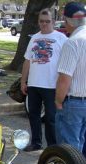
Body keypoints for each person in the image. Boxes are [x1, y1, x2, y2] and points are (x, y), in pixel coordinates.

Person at [21, 8, 68, 152]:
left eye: (47, 21)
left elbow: (67, 63)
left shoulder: (62, 39)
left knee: (51, 119)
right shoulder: (34, 38)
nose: (44, 24)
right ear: (38, 22)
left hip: (51, 85)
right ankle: (36, 142)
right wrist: (23, 81)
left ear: (53, 22)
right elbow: (27, 61)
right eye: (41, 21)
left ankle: (52, 146)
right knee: (33, 115)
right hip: (34, 84)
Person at [55, 2, 86, 153]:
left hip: (74, 103)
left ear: (68, 21)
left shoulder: (73, 42)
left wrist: (58, 101)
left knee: (70, 151)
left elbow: (64, 78)